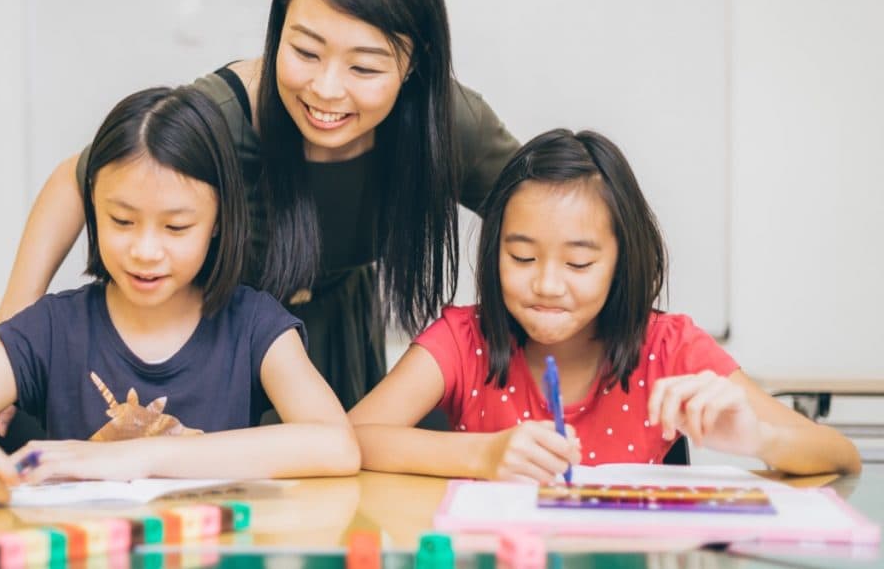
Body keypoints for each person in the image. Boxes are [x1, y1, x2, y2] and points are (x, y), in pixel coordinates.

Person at [0, 0, 520, 420]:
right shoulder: (221, 116)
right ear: (277, 31)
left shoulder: (446, 124)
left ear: (414, 62)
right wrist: (7, 334)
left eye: (363, 67)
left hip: (338, 336)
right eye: (305, 52)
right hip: (222, 343)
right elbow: (73, 183)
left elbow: (545, 207)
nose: (327, 89)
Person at [0, 87, 359, 508]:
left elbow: (336, 446)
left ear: (218, 223)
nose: (145, 251)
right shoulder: (51, 329)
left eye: (176, 226)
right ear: (91, 208)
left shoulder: (253, 325)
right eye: (121, 221)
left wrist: (136, 456)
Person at [349, 129, 862, 481]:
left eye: (578, 265)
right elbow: (351, 440)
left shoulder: (668, 347)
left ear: (623, 259)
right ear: (494, 250)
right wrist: (482, 454)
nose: (548, 285)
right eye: (522, 256)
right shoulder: (464, 340)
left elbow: (842, 457)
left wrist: (759, 439)